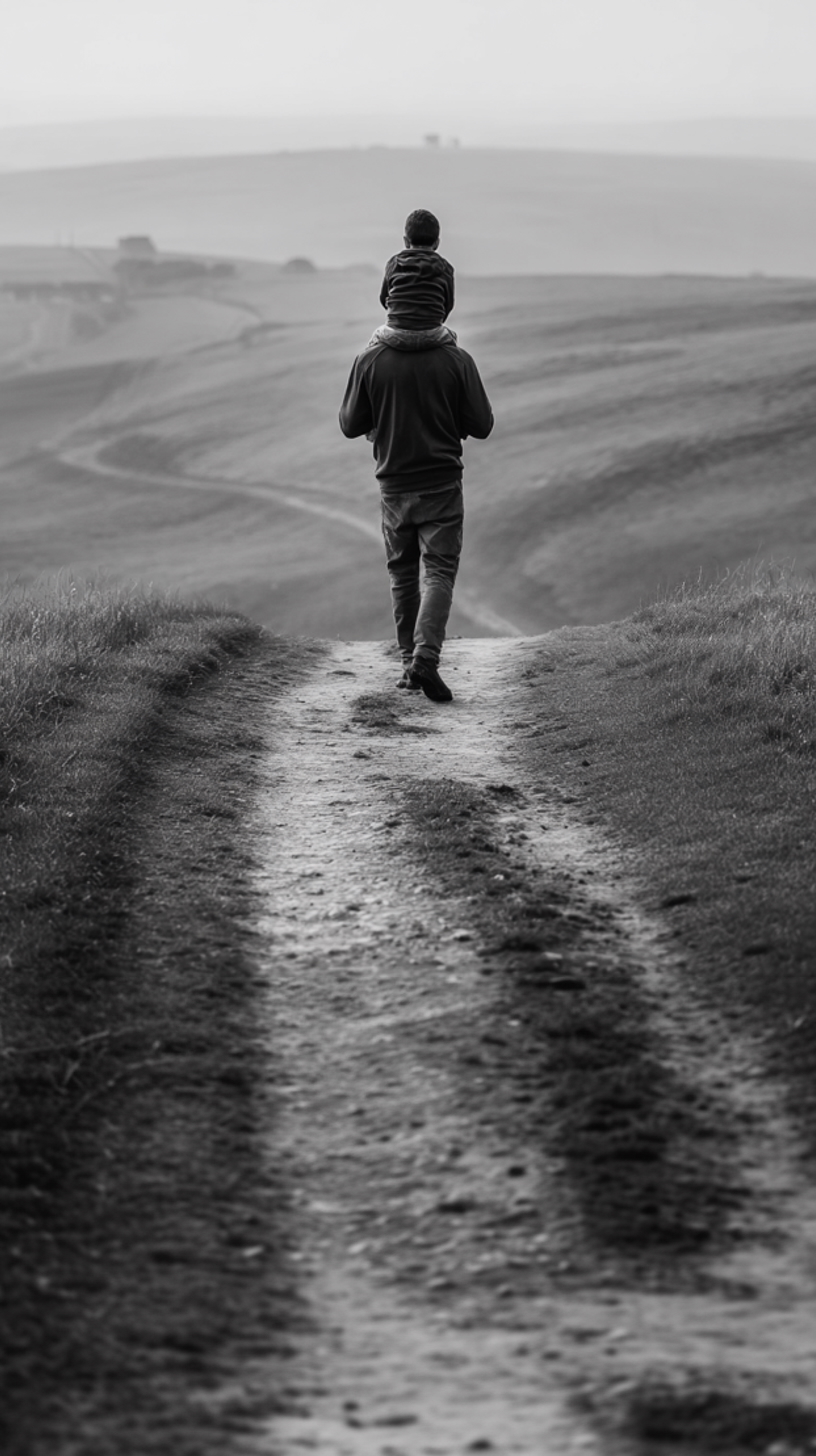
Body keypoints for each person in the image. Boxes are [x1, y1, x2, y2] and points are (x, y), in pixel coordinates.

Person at [339, 216, 493, 703]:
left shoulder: (370, 359)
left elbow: (348, 423)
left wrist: (379, 422)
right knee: (439, 572)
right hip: (442, 482)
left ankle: (409, 665)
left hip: (393, 483)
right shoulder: (457, 360)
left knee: (402, 574)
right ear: (444, 297)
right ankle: (426, 659)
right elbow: (484, 424)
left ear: (390, 293)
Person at [379, 208, 455, 331]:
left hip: (396, 331)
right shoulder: (445, 267)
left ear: (406, 242)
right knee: (452, 337)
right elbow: (448, 305)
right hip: (432, 332)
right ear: (437, 243)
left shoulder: (394, 263)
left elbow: (384, 299)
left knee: (374, 341)